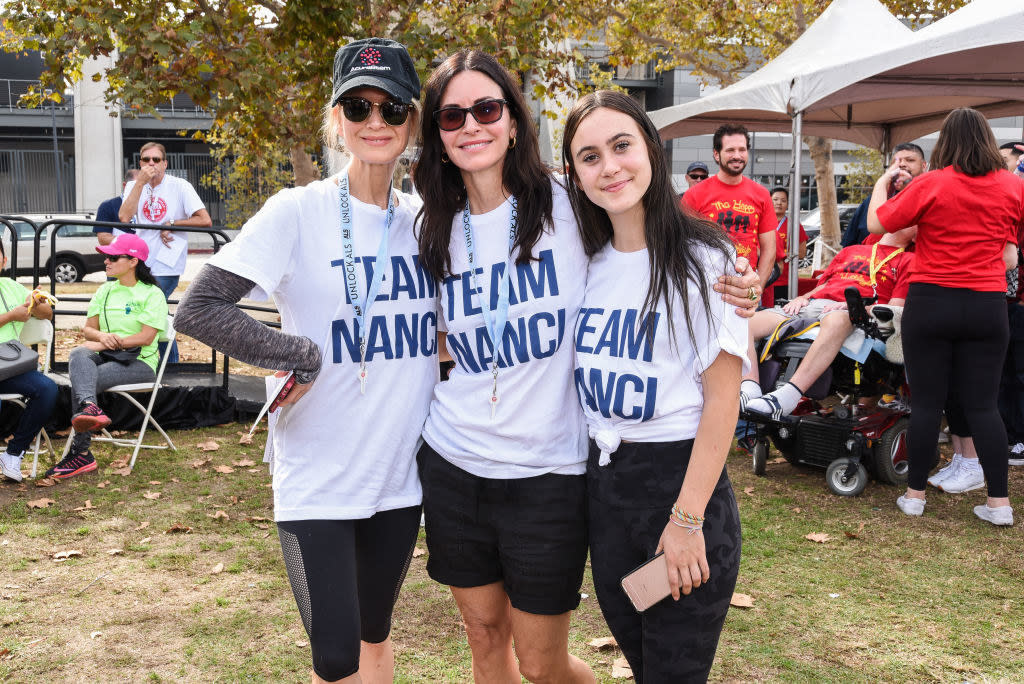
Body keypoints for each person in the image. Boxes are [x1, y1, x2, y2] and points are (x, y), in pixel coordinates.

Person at [412, 51, 759, 684]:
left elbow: (721, 382)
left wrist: (741, 282)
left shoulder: (572, 214)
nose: (472, 125)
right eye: (452, 114)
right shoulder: (435, 225)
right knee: (501, 636)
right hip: (538, 476)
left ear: (515, 120)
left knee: (557, 663)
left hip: (569, 477)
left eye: (487, 108)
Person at [175, 38, 433, 684]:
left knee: (376, 632)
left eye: (392, 108)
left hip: (396, 475)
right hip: (317, 474)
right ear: (337, 119)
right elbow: (199, 309)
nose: (376, 121)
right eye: (358, 105)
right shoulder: (297, 211)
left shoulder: (426, 221)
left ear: (412, 122)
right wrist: (299, 354)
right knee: (336, 654)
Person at [564, 90, 746, 682]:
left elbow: (724, 396)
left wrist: (686, 520)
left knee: (674, 673)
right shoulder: (581, 260)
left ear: (651, 149)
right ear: (576, 175)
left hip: (679, 490)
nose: (609, 166)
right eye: (589, 157)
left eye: (622, 146)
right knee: (646, 664)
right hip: (606, 495)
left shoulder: (705, 258)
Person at [868, 107, 1024, 526]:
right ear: (989, 141)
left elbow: (875, 223)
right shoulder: (1013, 186)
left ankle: (915, 496)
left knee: (927, 404)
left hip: (932, 300)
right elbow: (1012, 255)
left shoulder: (931, 183)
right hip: (987, 306)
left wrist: (885, 180)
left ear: (945, 144)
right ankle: (999, 505)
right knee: (984, 407)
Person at [742, 226, 916, 419]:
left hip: (852, 309)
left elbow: (894, 308)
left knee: (837, 320)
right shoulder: (850, 251)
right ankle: (750, 387)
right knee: (745, 323)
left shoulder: (908, 260)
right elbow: (825, 284)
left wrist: (856, 308)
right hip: (815, 303)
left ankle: (788, 396)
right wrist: (804, 297)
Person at [48, 234, 167, 479]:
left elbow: (146, 337)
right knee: (79, 353)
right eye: (106, 257)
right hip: (108, 353)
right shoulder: (105, 290)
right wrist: (103, 337)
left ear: (133, 261)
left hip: (140, 362)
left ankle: (80, 454)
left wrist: (117, 340)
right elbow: (87, 330)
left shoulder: (152, 294)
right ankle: (90, 410)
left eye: (113, 257)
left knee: (84, 380)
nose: (106, 261)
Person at [119, 141, 212, 363]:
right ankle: (161, 364)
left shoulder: (180, 186)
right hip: (139, 260)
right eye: (146, 160)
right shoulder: (134, 186)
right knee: (153, 312)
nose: (151, 164)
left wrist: (172, 222)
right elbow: (124, 217)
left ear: (165, 163)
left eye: (156, 160)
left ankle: (169, 365)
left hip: (166, 261)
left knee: (154, 308)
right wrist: (140, 183)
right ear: (140, 163)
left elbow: (204, 219)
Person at [683, 124, 776, 288]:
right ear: (716, 154)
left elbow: (769, 250)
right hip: (706, 286)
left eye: (742, 149)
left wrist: (756, 290)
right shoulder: (694, 195)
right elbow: (681, 245)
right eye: (730, 150)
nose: (737, 156)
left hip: (745, 285)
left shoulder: (761, 194)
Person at [0, 242, 57, 483]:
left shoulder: (11, 287)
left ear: (3, 261)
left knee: (47, 389)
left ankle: (14, 454)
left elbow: (47, 315)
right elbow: (12, 316)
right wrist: (11, 316)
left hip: (8, 366)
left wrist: (39, 303)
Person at [842, 143, 927, 247]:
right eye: (896, 161)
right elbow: (849, 243)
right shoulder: (872, 201)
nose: (902, 164)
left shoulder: (929, 199)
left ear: (923, 166)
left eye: (910, 160)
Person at [765, 186, 807, 304]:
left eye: (783, 200)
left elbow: (802, 253)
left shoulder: (794, 225)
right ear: (769, 201)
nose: (779, 203)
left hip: (784, 280)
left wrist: (781, 255)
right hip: (763, 277)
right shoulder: (762, 222)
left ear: (788, 204)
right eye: (776, 199)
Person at [94, 169, 139, 246]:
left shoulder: (152, 204)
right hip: (122, 255)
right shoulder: (108, 206)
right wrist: (133, 244)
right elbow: (103, 238)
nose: (141, 189)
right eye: (137, 186)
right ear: (125, 186)